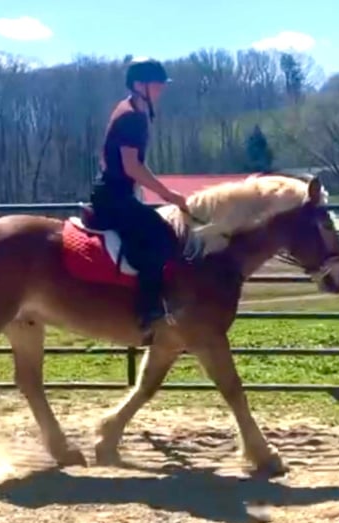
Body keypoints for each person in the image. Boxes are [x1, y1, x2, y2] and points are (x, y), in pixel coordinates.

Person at [90, 57, 190, 338]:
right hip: (115, 196)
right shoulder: (132, 117)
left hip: (116, 192)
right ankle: (148, 311)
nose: (161, 89)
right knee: (160, 237)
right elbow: (132, 166)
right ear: (139, 85)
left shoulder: (133, 108)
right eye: (157, 84)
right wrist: (168, 194)